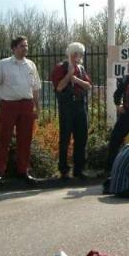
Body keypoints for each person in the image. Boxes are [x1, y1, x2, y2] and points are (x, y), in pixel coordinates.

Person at [0, 36, 41, 184]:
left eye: (26, 46)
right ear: (14, 48)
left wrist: (37, 107)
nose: (26, 48)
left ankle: (23, 171)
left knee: (25, 139)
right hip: (8, 106)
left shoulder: (31, 65)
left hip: (27, 105)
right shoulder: (3, 64)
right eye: (22, 46)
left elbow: (35, 88)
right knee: (4, 138)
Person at [50, 42, 92, 180]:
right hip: (67, 107)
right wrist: (69, 75)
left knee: (82, 138)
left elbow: (88, 86)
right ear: (69, 54)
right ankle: (63, 170)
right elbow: (59, 87)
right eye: (74, 54)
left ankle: (79, 169)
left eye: (79, 54)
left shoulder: (81, 69)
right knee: (65, 138)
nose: (77, 57)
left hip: (80, 106)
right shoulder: (60, 68)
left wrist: (76, 79)